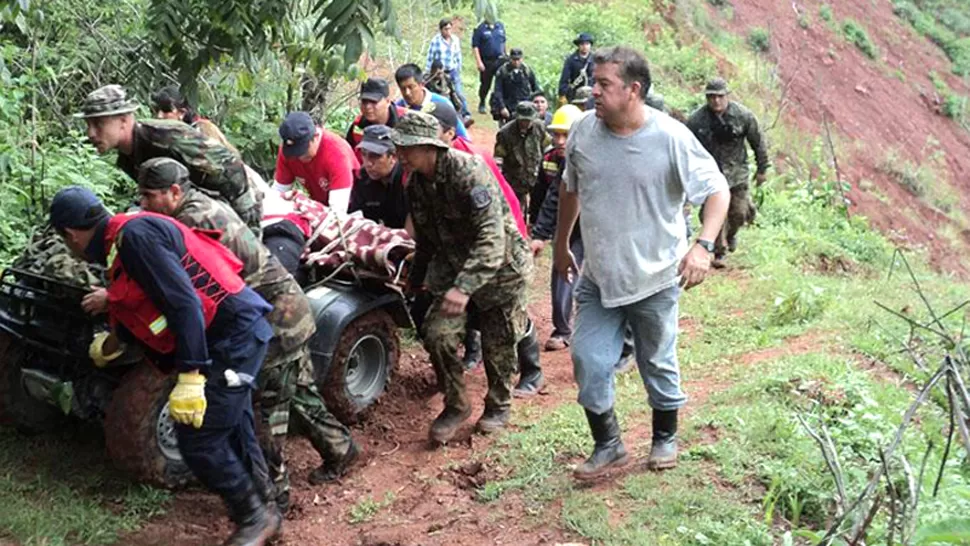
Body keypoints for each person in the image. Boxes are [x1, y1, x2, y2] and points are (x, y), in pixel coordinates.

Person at [52, 186, 281, 545]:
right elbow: (148, 300)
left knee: (199, 436)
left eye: (66, 243)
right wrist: (115, 342)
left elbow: (185, 303)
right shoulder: (124, 241)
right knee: (234, 423)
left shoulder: (134, 238)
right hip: (227, 333)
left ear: (71, 234)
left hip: (233, 335)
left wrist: (190, 377)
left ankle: (255, 515)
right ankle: (265, 507)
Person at [134, 158, 359, 500]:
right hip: (279, 307)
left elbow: (189, 287)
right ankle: (341, 450)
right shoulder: (195, 207)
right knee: (296, 391)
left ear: (174, 192)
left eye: (149, 196)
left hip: (273, 318)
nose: (143, 204)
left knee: (261, 409)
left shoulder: (194, 220)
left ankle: (272, 495)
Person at [553, 46, 730, 480]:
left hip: (655, 276)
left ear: (633, 90)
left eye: (602, 84)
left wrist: (703, 246)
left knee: (656, 360)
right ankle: (608, 445)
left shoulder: (670, 137)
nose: (591, 91)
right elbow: (570, 190)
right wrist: (561, 246)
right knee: (588, 360)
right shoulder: (582, 133)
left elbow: (718, 191)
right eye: (592, 82)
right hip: (598, 273)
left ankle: (664, 436)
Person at [392, 112, 532, 443]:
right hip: (454, 269)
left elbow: (492, 240)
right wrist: (415, 278)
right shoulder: (416, 183)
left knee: (498, 344)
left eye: (406, 148)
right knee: (437, 334)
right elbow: (426, 237)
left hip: (500, 271)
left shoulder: (469, 173)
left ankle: (498, 404)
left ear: (429, 147)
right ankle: (456, 404)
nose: (400, 155)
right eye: (398, 147)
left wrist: (463, 288)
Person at [427, 102, 544, 397]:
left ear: (449, 134)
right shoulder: (425, 166)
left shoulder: (471, 160)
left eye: (433, 132)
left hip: (500, 240)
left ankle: (531, 370)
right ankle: (472, 354)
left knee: (509, 315)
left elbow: (503, 204)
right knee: (471, 309)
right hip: (464, 248)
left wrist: (524, 239)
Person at [76, 85, 262, 236]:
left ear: (124, 120)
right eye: (88, 125)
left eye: (98, 124)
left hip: (231, 211)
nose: (91, 133)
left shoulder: (164, 137)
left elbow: (229, 167)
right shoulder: (128, 156)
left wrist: (249, 228)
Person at [686, 78, 770, 268]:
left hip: (737, 173)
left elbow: (758, 142)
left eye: (720, 96)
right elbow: (685, 147)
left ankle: (731, 236)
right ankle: (719, 252)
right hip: (710, 175)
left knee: (739, 213)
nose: (716, 101)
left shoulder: (743, 116)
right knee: (714, 214)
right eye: (712, 97)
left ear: (727, 96)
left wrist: (762, 169)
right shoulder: (697, 120)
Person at [274, 111, 360, 215]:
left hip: (353, 205)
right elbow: (278, 193)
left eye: (303, 150)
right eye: (295, 152)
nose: (299, 157)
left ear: (315, 136)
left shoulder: (337, 153)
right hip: (320, 206)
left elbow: (338, 211)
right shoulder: (286, 154)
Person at [494, 101, 548, 222]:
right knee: (516, 210)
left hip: (535, 173)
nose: (526, 123)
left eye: (529, 120)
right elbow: (499, 158)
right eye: (523, 120)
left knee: (538, 205)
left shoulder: (540, 127)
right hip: (514, 177)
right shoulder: (505, 133)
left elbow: (547, 148)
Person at [151, 85, 240, 156]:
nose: (159, 116)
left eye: (166, 110)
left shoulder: (203, 130)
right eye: (156, 109)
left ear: (182, 113)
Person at [349, 125, 409, 229]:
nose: (368, 163)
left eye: (375, 156)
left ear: (394, 157)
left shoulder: (407, 179)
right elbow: (357, 216)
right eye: (364, 154)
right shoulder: (362, 179)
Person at [394, 63, 469, 140]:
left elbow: (464, 138)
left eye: (411, 87)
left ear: (421, 84)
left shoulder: (443, 104)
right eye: (403, 88)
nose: (407, 93)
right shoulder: (398, 108)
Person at [345, 78, 408, 163]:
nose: (368, 107)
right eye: (364, 102)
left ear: (388, 101)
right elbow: (348, 155)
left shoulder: (406, 120)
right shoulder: (358, 126)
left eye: (373, 102)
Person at [425, 17, 469, 118]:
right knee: (442, 93)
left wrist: (458, 68)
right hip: (440, 72)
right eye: (446, 29)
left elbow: (458, 55)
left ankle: (465, 114)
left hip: (453, 71)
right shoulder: (435, 41)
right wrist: (429, 72)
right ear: (441, 30)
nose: (448, 31)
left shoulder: (455, 40)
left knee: (458, 92)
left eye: (450, 28)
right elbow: (430, 57)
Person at [490, 48, 540, 126]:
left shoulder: (527, 70)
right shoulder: (503, 71)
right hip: (509, 105)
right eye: (514, 59)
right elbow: (498, 90)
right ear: (510, 59)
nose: (516, 62)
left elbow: (535, 88)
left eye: (518, 59)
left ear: (522, 59)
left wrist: (535, 104)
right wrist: (502, 107)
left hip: (524, 104)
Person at [471, 13, 507, 114]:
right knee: (485, 84)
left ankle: (499, 104)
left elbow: (503, 41)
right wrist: (479, 62)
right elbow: (475, 46)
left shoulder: (500, 26)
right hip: (486, 61)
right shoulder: (480, 28)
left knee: (501, 83)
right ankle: (482, 101)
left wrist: (505, 54)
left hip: (500, 60)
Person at [425, 59, 474, 128]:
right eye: (437, 72)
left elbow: (452, 93)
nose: (439, 75)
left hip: (447, 103)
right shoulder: (427, 80)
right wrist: (432, 77)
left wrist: (457, 105)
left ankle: (462, 123)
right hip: (433, 104)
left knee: (455, 112)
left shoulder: (446, 79)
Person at [558, 33, 595, 104]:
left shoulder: (595, 59)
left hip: (592, 95)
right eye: (582, 44)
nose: (585, 46)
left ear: (590, 45)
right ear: (578, 46)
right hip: (575, 95)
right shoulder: (571, 60)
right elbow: (564, 80)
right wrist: (562, 95)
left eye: (587, 44)